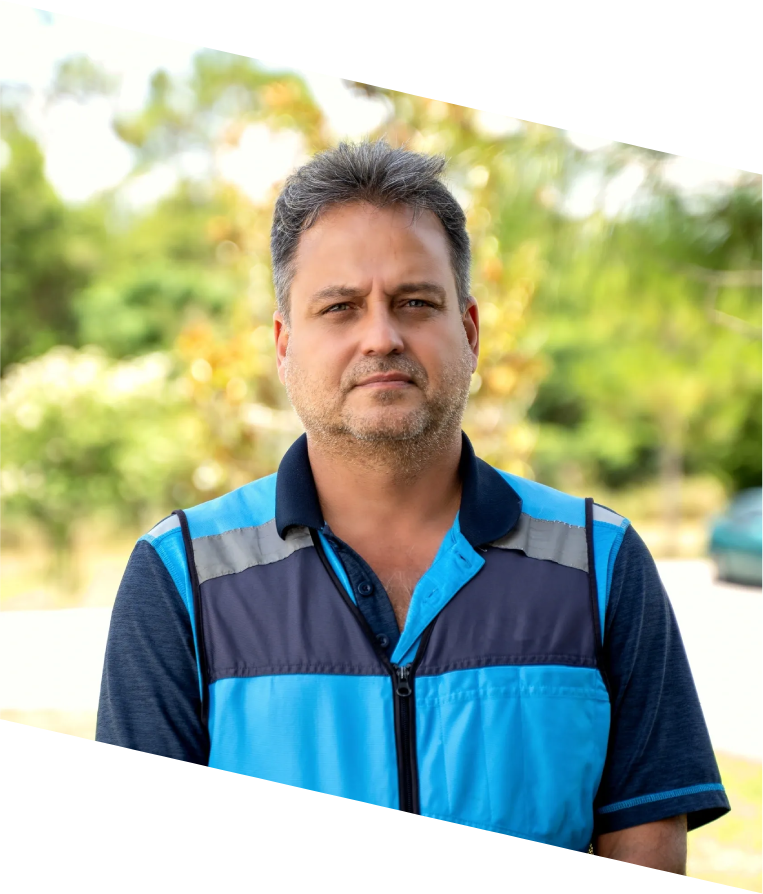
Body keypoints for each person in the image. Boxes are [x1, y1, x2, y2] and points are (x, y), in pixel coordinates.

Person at [96, 140, 729, 866]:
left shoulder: (598, 561)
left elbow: (645, 838)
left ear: (468, 331)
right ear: (283, 343)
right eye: (339, 308)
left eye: (414, 302)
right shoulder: (180, 578)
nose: (381, 336)